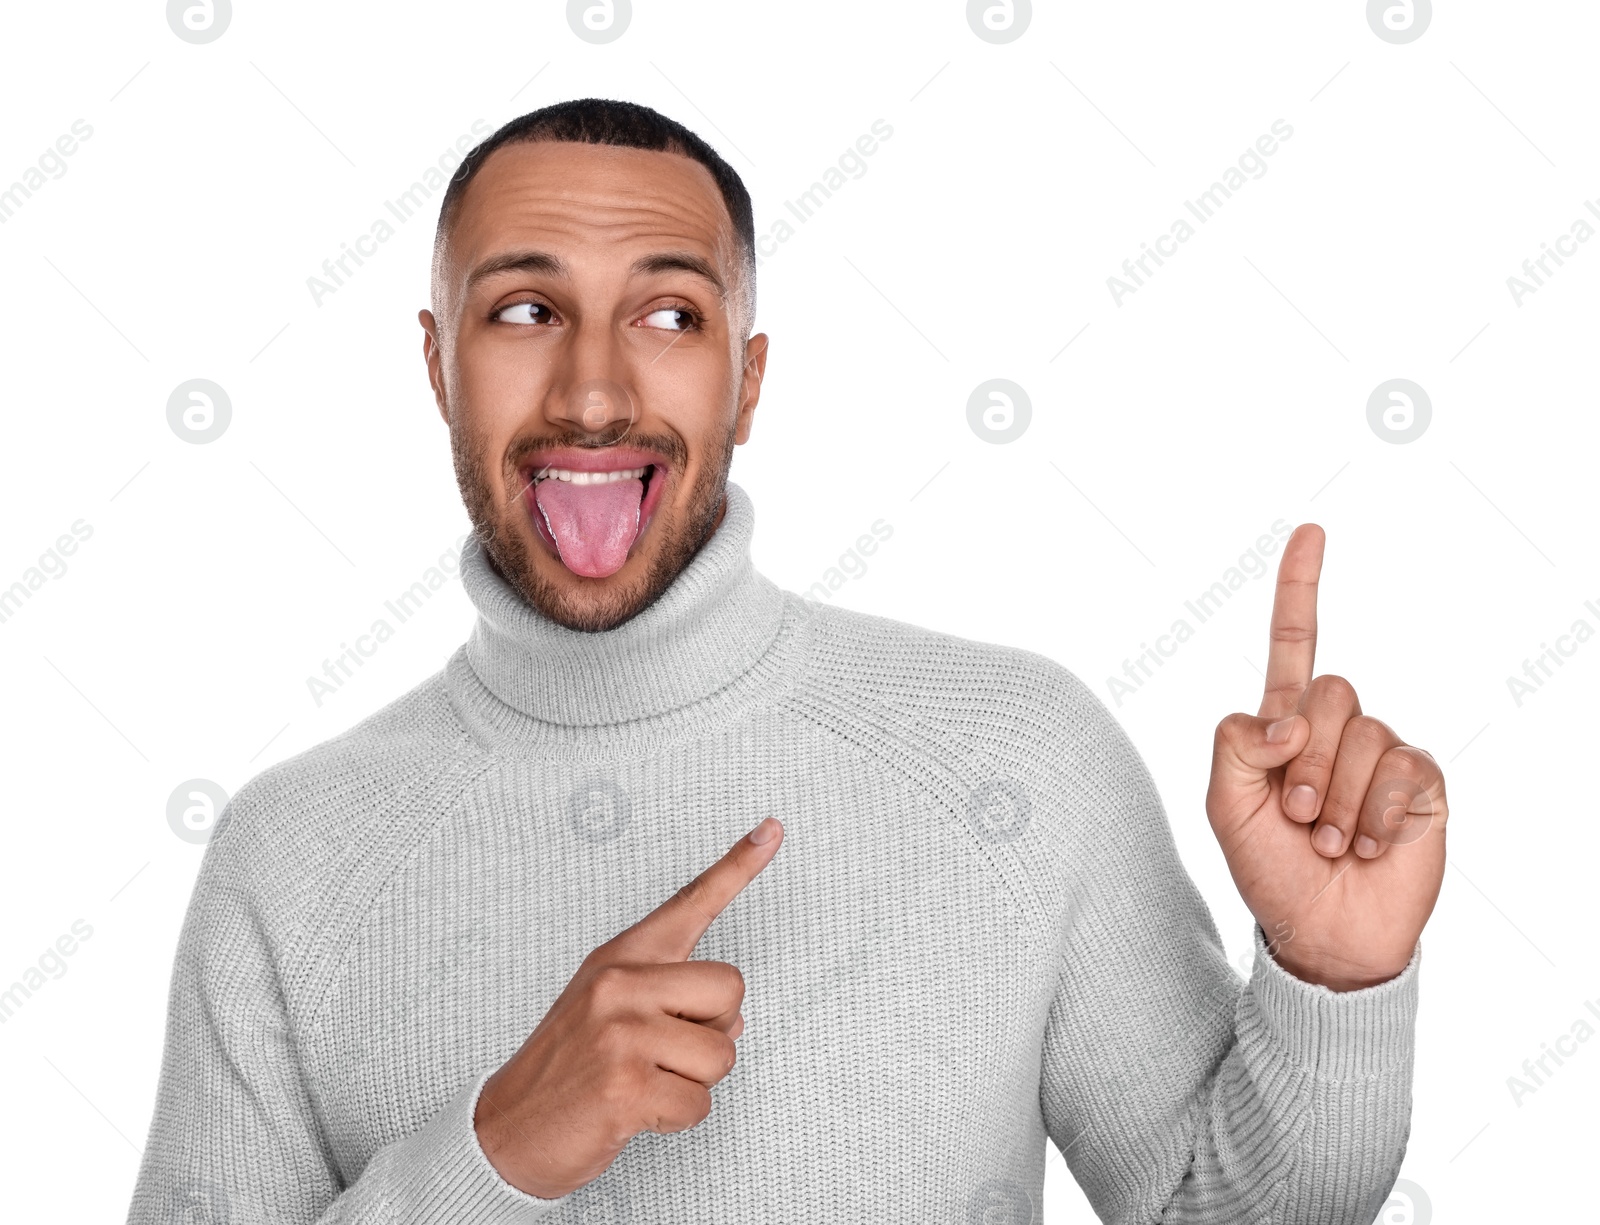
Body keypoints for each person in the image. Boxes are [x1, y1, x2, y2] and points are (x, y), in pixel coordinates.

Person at [126, 98, 1447, 1224]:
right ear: (438, 368)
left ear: (748, 383)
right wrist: (494, 1153)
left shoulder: (1019, 756)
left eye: (670, 315)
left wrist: (1336, 982)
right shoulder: (288, 856)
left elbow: (1214, 1204)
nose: (592, 390)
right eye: (526, 309)